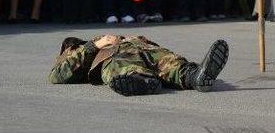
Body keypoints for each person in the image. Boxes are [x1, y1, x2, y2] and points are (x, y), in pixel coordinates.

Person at [48, 35, 229, 96]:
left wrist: (136, 39)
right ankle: (141, 81)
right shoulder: (78, 48)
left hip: (142, 47)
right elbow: (56, 75)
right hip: (113, 55)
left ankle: (196, 77)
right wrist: (94, 45)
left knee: (169, 61)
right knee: (122, 66)